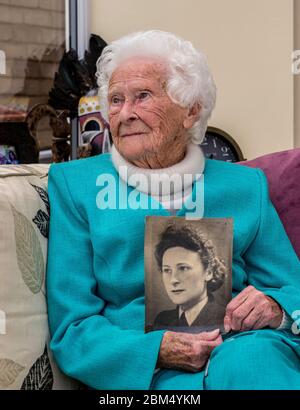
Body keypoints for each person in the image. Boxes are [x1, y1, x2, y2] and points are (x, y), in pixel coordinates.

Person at [46, 30, 300, 390]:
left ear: (191, 111)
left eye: (143, 96)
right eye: (115, 100)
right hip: (144, 368)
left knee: (253, 363)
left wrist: (276, 307)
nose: (125, 113)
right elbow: (72, 327)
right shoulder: (77, 186)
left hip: (244, 349)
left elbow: (293, 287)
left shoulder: (245, 187)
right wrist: (156, 350)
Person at [153, 223, 227, 331]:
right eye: (167, 270)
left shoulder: (224, 317)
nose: (173, 280)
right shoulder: (161, 320)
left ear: (208, 272)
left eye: (183, 268)